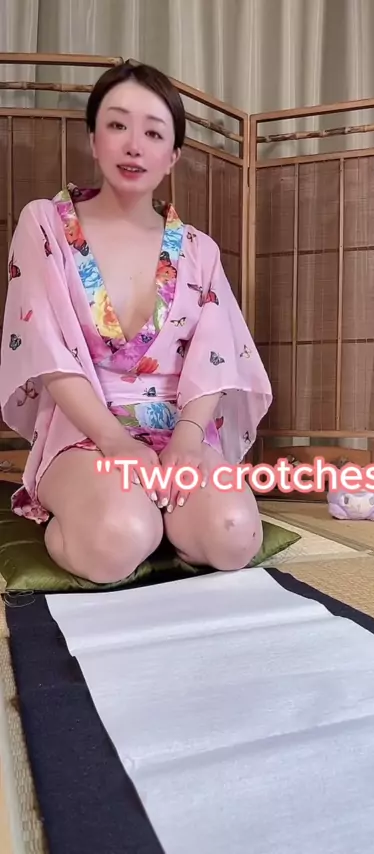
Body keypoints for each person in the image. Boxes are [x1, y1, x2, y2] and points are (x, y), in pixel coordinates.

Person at [0, 61, 272, 584]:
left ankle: (166, 517)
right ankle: (111, 517)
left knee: (234, 535)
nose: (133, 145)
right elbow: (44, 347)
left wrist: (187, 440)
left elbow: (216, 356)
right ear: (93, 138)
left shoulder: (197, 249)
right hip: (85, 428)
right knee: (117, 538)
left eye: (153, 132)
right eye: (117, 124)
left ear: (172, 156)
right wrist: (115, 440)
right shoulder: (45, 224)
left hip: (179, 427)